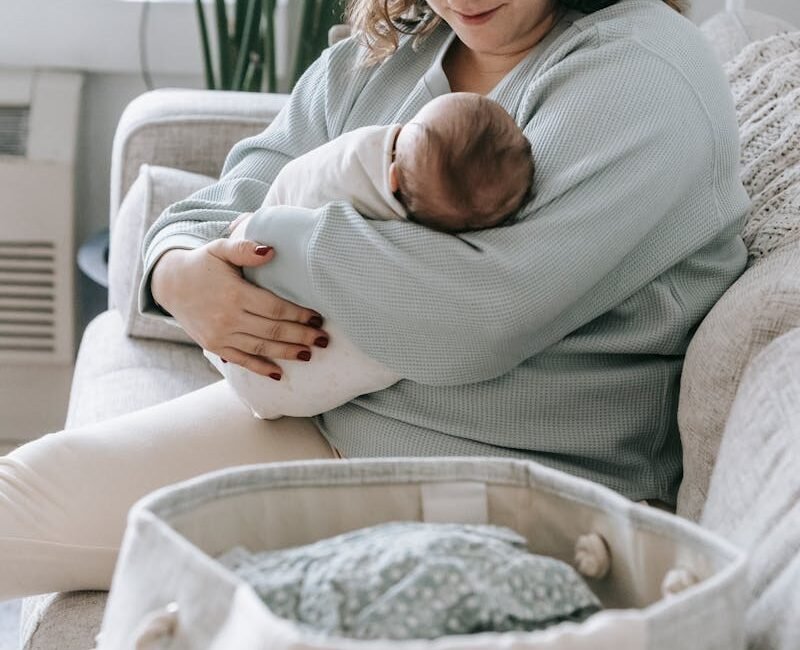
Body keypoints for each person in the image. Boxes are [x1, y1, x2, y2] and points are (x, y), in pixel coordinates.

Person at [0, 0, 750, 600]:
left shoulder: (643, 70)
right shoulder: (388, 55)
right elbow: (225, 197)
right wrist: (175, 273)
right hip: (324, 418)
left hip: (497, 485)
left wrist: (272, 239)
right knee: (16, 504)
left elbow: (468, 321)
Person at [206, 91, 534, 419]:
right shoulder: (349, 75)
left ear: (392, 176)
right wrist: (175, 265)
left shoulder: (357, 164)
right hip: (285, 381)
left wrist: (257, 225)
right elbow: (237, 188)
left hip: (277, 373)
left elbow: (298, 182)